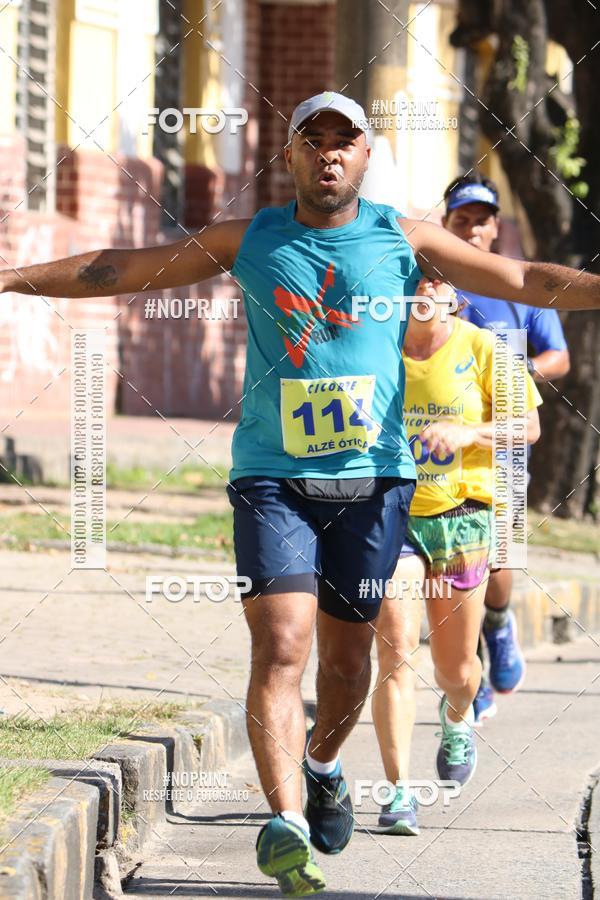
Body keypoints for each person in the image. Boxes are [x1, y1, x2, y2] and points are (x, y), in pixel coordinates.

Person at [2, 92, 599, 897]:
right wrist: (9, 278)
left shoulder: (404, 237)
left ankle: (322, 767)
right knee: (282, 645)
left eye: (343, 141)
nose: (328, 153)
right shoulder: (251, 237)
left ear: (364, 156)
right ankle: (284, 824)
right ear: (288, 157)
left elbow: (524, 278)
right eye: (311, 140)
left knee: (348, 668)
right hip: (271, 475)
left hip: (375, 480)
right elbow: (123, 265)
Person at [372, 278, 542, 836]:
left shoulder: (486, 346)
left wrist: (469, 432)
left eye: (437, 276)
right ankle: (398, 792)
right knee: (395, 652)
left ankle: (456, 715)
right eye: (414, 273)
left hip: (461, 517)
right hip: (391, 513)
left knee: (456, 670)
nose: (424, 284)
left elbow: (529, 427)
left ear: (455, 296)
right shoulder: (375, 344)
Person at [442, 171, 571, 724]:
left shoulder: (518, 286)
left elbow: (558, 358)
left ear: (496, 227)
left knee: (496, 561)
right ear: (446, 224)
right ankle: (469, 677)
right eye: (462, 220)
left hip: (506, 442)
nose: (472, 230)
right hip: (441, 444)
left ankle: (497, 624)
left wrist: (513, 376)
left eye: (481, 220)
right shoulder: (428, 284)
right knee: (453, 563)